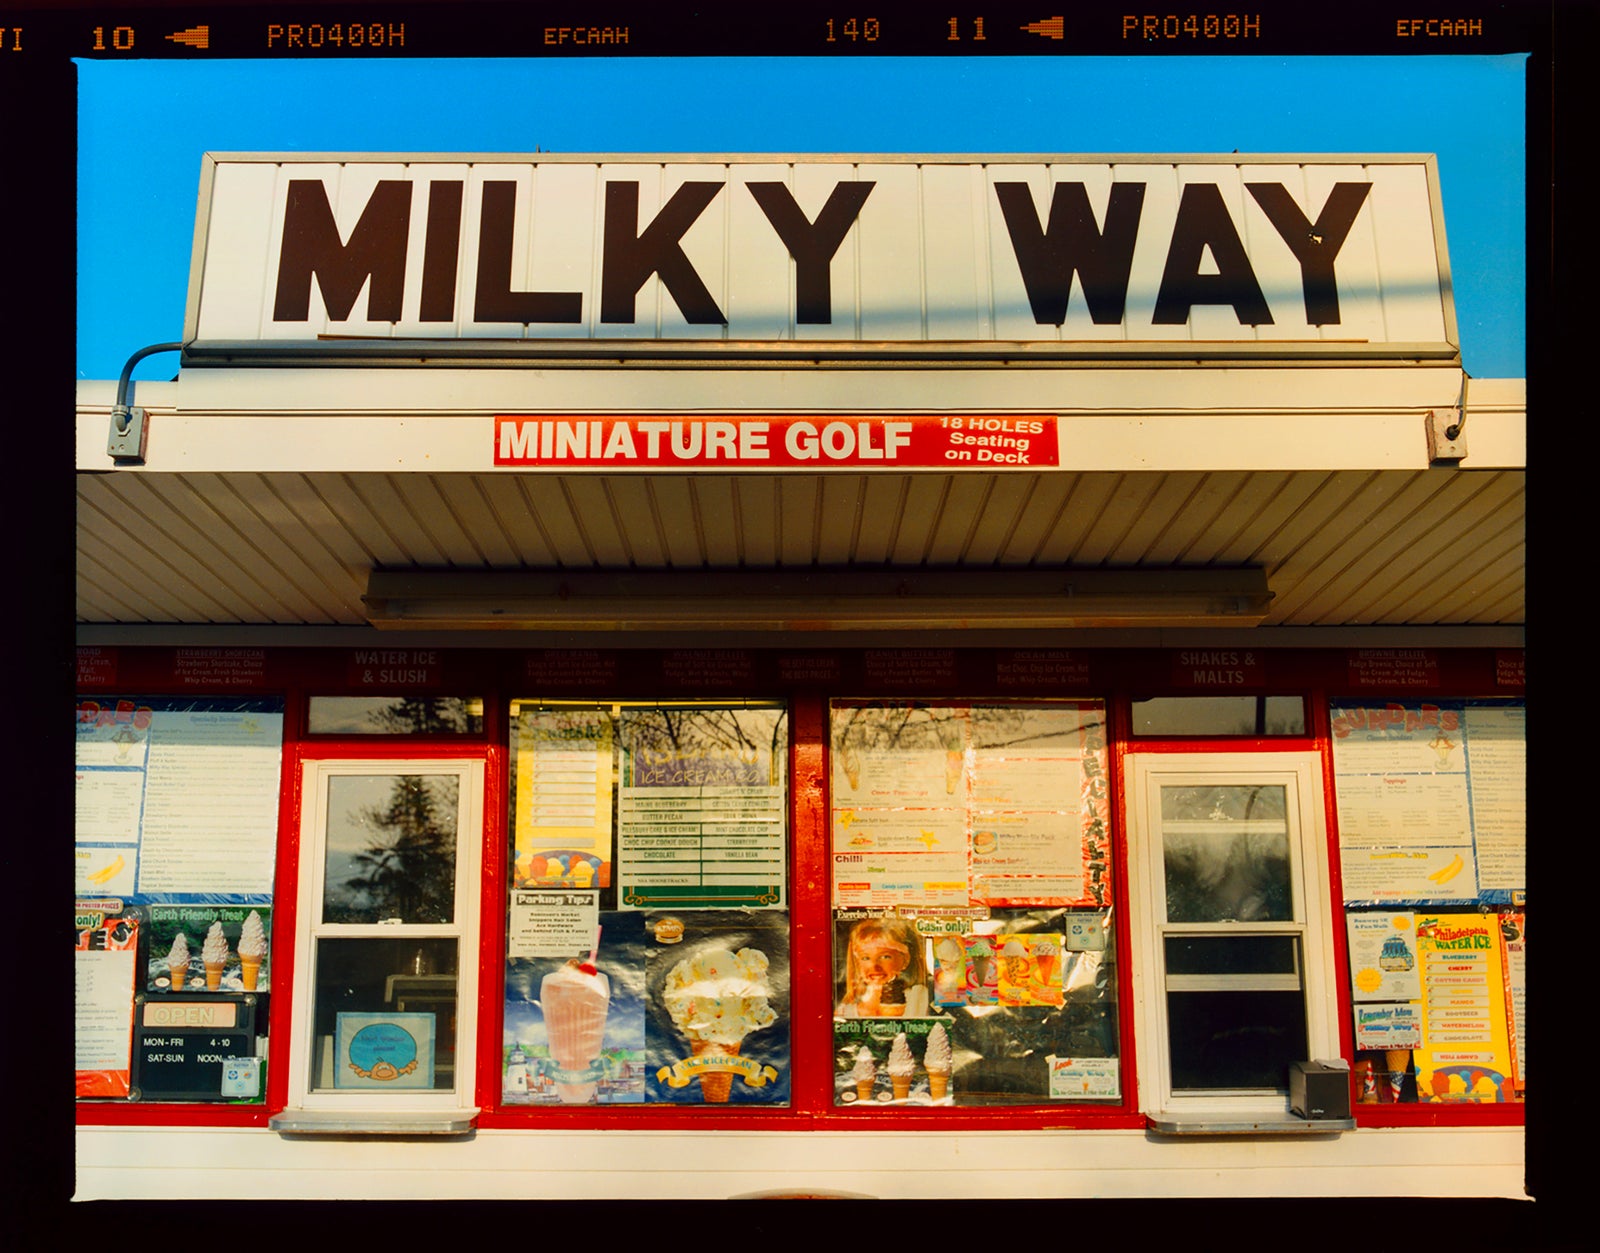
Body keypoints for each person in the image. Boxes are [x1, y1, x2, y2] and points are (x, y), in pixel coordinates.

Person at [837, 917, 929, 1018]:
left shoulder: (918, 1000)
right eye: (865, 958)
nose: (875, 967)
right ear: (857, 963)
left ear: (905, 960)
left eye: (885, 956)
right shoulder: (845, 1012)